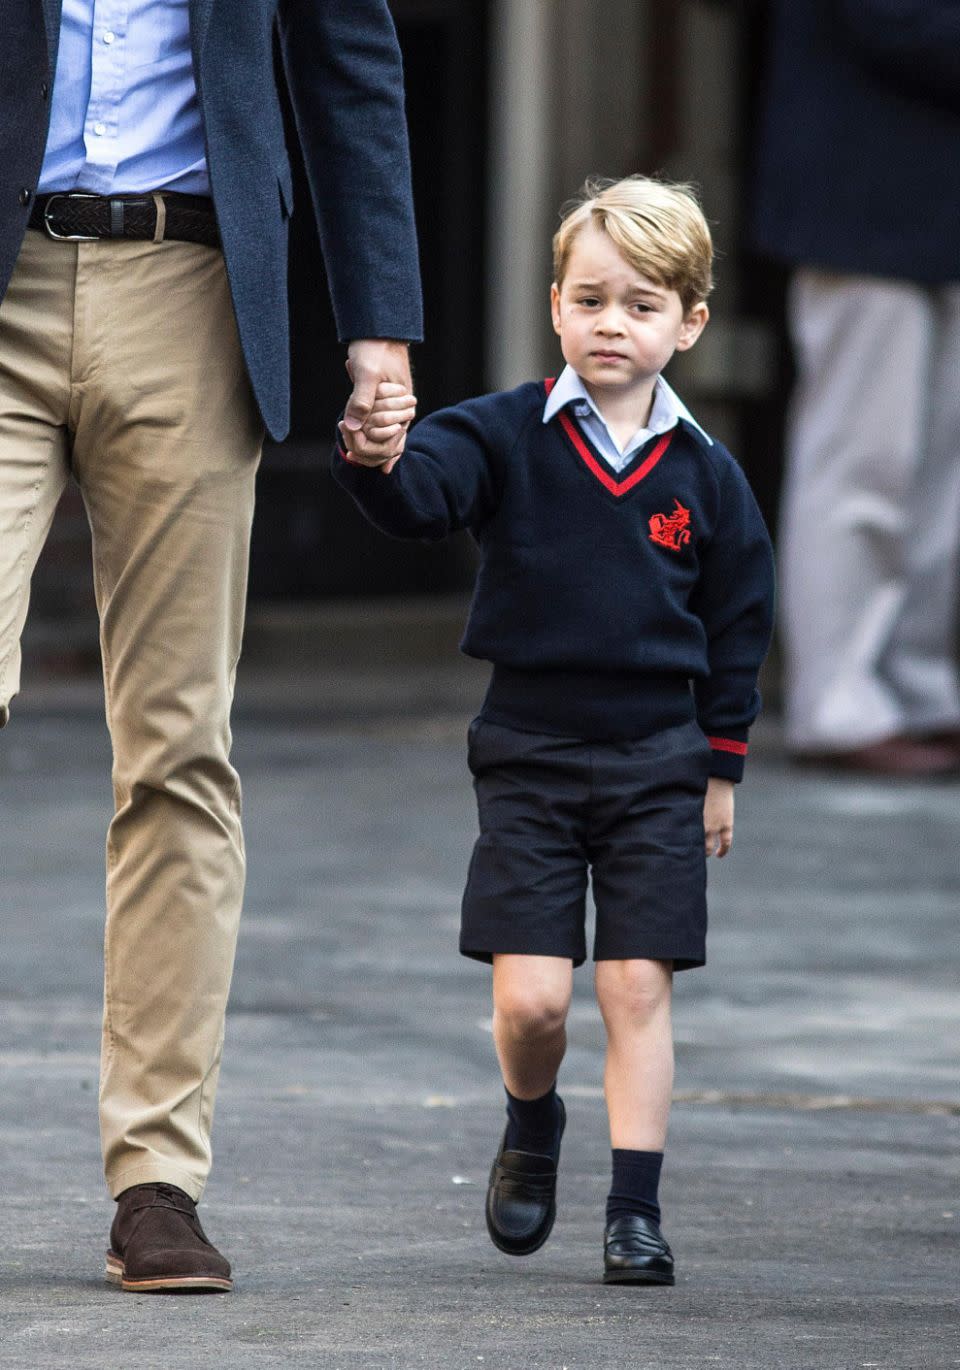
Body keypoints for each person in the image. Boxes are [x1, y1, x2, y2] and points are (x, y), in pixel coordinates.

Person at [0, 1, 421, 1292]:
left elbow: (349, 56)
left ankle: (157, 1179)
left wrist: (378, 326)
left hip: (192, 285)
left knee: (179, 747)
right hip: (7, 262)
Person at [335, 177, 775, 1283]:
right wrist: (379, 456)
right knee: (532, 999)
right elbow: (420, 496)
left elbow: (739, 624)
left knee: (636, 984)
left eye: (640, 304)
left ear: (690, 323)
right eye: (590, 300)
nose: (611, 324)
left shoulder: (708, 479)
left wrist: (721, 767)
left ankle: (636, 1210)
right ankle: (533, 1118)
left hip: (659, 762)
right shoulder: (502, 434)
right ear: (554, 307)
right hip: (529, 754)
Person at [749, 0, 960, 775]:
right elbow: (890, 17)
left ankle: (918, 690)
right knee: (861, 459)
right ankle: (839, 702)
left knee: (940, 472)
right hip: (864, 191)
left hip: (929, 195)